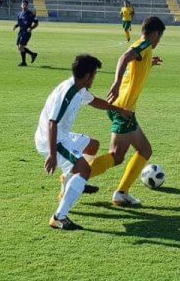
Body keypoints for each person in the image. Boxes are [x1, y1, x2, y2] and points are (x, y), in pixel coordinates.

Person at [35, 54, 133, 230]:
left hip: (62, 136)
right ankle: (59, 217)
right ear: (87, 76)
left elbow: (94, 101)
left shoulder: (79, 88)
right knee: (85, 169)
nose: (94, 78)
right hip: (52, 139)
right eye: (94, 75)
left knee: (92, 145)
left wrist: (119, 110)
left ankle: (70, 181)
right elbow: (52, 122)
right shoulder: (67, 92)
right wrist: (51, 154)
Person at [87, 17, 166, 206]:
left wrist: (150, 64)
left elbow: (135, 66)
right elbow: (124, 57)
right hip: (124, 109)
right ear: (155, 33)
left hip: (122, 107)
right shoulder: (145, 44)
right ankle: (77, 177)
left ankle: (120, 192)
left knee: (139, 151)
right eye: (160, 36)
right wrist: (115, 83)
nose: (159, 41)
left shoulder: (145, 49)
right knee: (120, 155)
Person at [13, 0, 39, 66]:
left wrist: (31, 28)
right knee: (19, 47)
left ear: (28, 6)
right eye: (23, 4)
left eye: (26, 5)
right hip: (21, 32)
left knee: (20, 46)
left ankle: (25, 60)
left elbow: (36, 23)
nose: (24, 6)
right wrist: (16, 26)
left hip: (27, 32)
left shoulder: (31, 14)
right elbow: (19, 23)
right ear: (21, 5)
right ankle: (32, 55)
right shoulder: (19, 14)